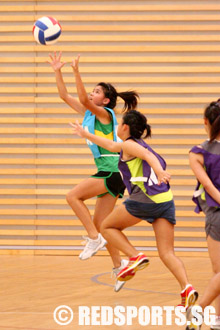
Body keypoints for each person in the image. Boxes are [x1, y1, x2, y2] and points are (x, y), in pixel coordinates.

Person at [71, 109, 198, 308]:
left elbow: (148, 157)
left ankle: (135, 256)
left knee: (106, 227)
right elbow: (110, 145)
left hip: (145, 198)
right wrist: (85, 134)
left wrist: (160, 171)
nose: (117, 127)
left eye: (119, 124)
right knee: (167, 253)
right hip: (165, 201)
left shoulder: (130, 144)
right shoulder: (131, 145)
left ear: (125, 127)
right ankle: (187, 288)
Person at [47, 51, 139, 292]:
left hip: (111, 171)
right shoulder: (89, 113)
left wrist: (76, 71)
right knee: (102, 223)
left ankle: (93, 239)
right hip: (110, 173)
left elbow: (83, 99)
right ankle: (119, 267)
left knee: (72, 196)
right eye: (93, 90)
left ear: (106, 101)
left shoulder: (105, 114)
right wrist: (58, 70)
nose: (91, 93)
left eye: (97, 92)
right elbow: (64, 95)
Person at [187, 100, 220, 329]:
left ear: (206, 122)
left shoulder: (198, 152)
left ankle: (206, 314)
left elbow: (208, 187)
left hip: (214, 215)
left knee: (218, 271)